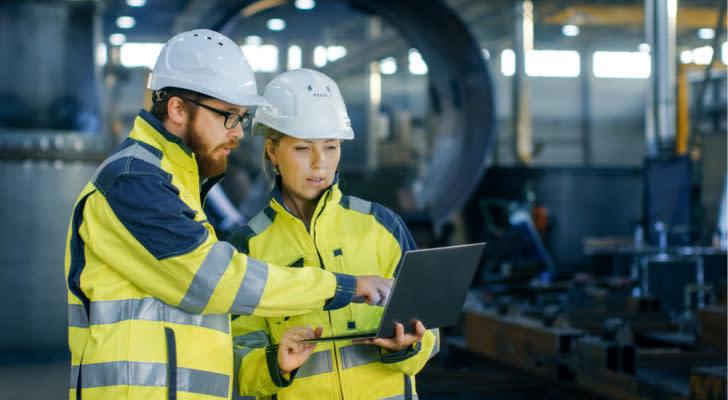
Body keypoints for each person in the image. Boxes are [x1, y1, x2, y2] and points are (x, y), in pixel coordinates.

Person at [64, 30, 393, 400]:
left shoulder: (174, 181)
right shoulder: (133, 181)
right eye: (228, 116)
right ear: (176, 109)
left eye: (242, 118)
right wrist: (340, 287)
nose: (238, 133)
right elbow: (213, 280)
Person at [228, 69, 439, 400]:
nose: (319, 164)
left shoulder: (383, 226)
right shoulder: (247, 248)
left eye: (330, 147)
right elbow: (238, 360)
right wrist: (277, 364)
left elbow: (430, 328)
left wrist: (406, 346)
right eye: (302, 148)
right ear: (272, 151)